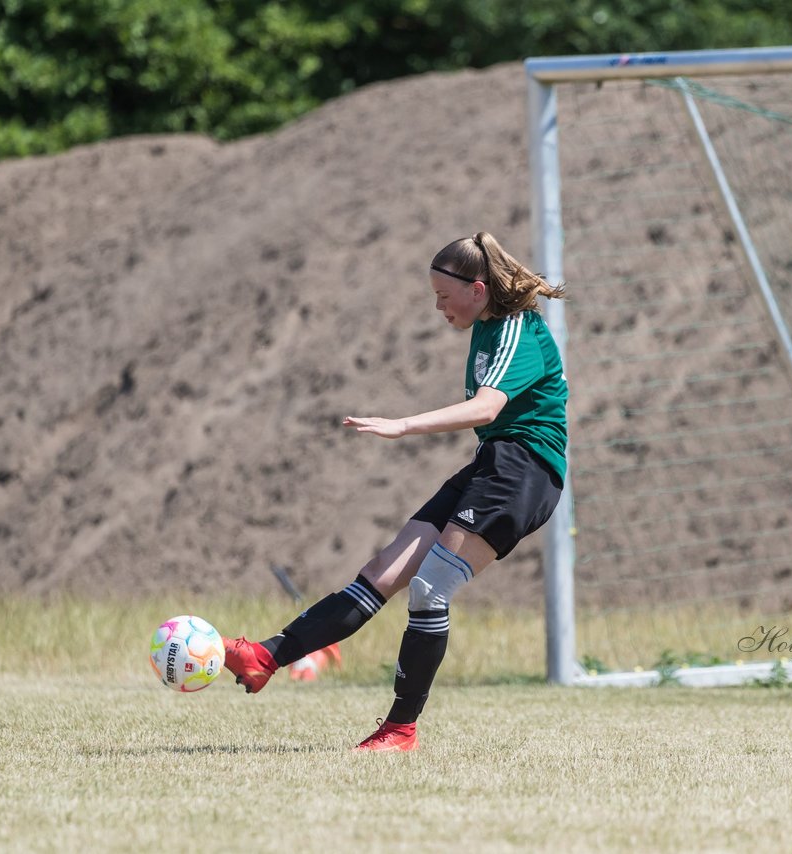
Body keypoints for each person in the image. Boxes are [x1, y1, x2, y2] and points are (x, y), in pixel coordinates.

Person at [222, 231, 568, 752]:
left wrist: (402, 425)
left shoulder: (515, 329)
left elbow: (487, 408)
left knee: (429, 590)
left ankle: (401, 729)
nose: (438, 307)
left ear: (477, 290)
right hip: (494, 463)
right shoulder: (486, 325)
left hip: (525, 472)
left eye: (443, 297)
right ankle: (267, 656)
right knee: (381, 574)